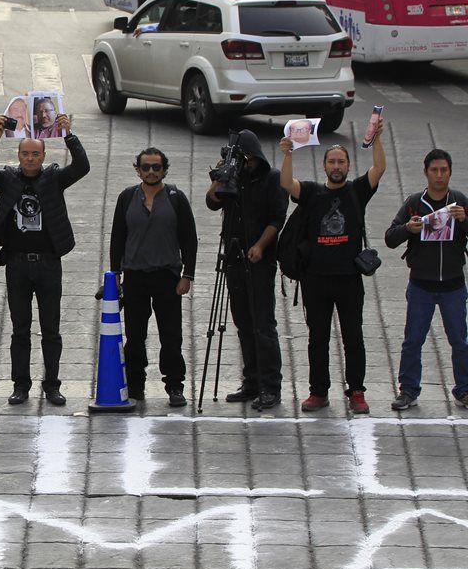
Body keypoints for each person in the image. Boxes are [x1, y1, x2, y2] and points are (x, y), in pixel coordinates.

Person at [0, 112, 89, 406]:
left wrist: (69, 135)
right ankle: (21, 385)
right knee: (19, 329)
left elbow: (82, 167)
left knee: (51, 329)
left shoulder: (53, 178)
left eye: (35, 154)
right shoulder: (8, 179)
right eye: (25, 154)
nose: (30, 159)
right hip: (17, 264)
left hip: (49, 263)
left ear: (43, 155)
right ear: (18, 155)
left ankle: (52, 385)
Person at [279, 131, 387, 413]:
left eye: (341, 162)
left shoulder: (356, 191)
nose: (336, 166)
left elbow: (379, 169)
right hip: (315, 280)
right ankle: (318, 392)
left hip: (349, 279)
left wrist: (376, 140)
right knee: (318, 339)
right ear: (324, 166)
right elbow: (287, 183)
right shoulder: (314, 192)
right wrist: (288, 153)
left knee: (354, 337)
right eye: (332, 162)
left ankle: (357, 391)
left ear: (348, 166)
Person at [204, 131, 287, 410]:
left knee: (263, 325)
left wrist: (261, 245)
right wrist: (221, 175)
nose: (243, 164)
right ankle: (251, 381)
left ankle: (270, 386)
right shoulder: (231, 177)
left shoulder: (271, 178)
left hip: (260, 261)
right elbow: (212, 202)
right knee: (243, 324)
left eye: (245, 159)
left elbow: (278, 218)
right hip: (234, 258)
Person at [110, 148, 197, 407]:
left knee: (171, 335)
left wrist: (187, 275)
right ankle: (135, 386)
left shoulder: (176, 198)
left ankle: (175, 385)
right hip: (135, 277)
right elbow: (117, 238)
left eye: (156, 167)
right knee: (135, 335)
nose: (150, 172)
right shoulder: (127, 197)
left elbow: (189, 239)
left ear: (164, 170)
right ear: (137, 169)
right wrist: (115, 273)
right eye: (145, 167)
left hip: (167, 277)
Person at [385, 149, 468, 411]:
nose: (439, 175)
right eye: (435, 170)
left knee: (460, 340)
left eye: (444, 170)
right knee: (413, 339)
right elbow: (389, 237)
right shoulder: (414, 203)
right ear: (426, 172)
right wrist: (408, 228)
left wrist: (465, 220)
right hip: (421, 284)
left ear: (450, 172)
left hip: (453, 284)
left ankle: (464, 390)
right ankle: (408, 390)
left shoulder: (459, 202)